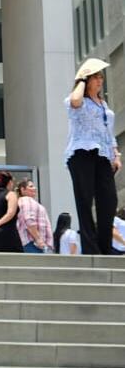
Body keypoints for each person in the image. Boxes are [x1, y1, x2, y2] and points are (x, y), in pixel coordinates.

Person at [65, 57, 121, 255]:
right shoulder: (77, 99)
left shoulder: (103, 105)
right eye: (95, 77)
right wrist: (80, 80)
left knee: (109, 200)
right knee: (85, 200)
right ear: (87, 80)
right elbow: (75, 101)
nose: (100, 80)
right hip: (81, 153)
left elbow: (108, 132)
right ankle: (91, 249)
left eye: (101, 77)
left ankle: (104, 246)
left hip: (103, 155)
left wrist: (115, 154)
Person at [16, 178, 53, 254]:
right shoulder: (27, 200)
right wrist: (38, 239)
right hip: (32, 244)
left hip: (33, 244)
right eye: (31, 186)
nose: (35, 188)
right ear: (23, 189)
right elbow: (29, 220)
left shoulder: (23, 201)